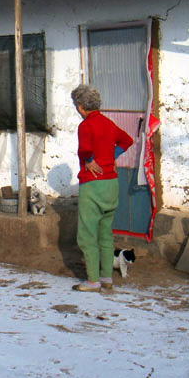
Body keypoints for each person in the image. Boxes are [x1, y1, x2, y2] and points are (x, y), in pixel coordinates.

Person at [71, 84, 133, 292]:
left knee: (87, 235)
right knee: (106, 234)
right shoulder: (108, 123)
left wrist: (89, 159)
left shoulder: (86, 126)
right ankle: (107, 278)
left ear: (81, 107)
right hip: (111, 184)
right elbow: (127, 140)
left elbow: (85, 149)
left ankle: (92, 280)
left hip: (93, 184)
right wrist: (112, 156)